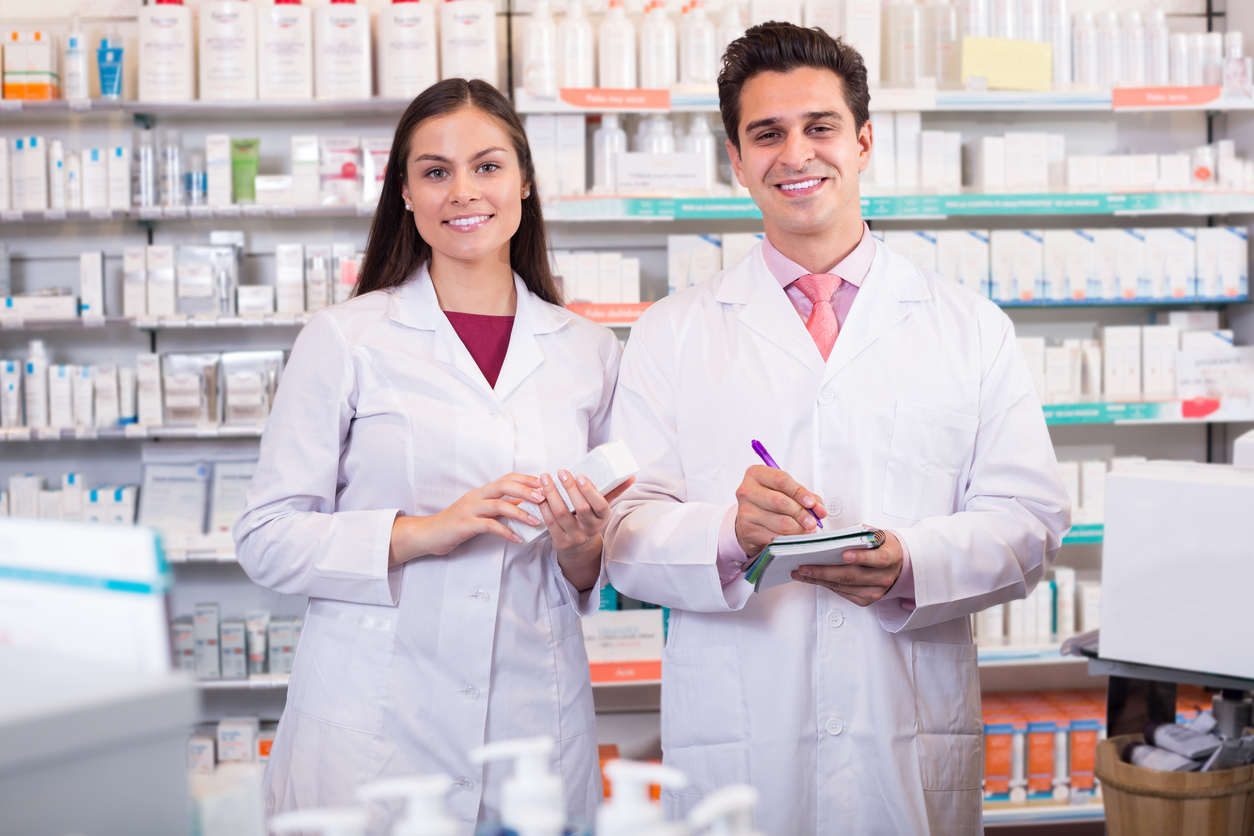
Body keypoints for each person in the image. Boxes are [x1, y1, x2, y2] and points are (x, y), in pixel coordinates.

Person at [603, 23, 1070, 836]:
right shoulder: (671, 332)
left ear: (862, 143)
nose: (797, 154)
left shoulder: (968, 326)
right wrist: (729, 533)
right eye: (767, 134)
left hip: (905, 719)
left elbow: (1029, 525)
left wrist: (910, 563)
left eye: (819, 127)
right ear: (735, 158)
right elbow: (625, 533)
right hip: (740, 733)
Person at [235, 78, 628, 831]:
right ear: (406, 194)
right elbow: (265, 538)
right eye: (435, 172)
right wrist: (423, 530)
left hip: (529, 724)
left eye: (486, 167)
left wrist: (584, 549)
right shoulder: (347, 338)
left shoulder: (588, 351)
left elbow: (589, 566)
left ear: (524, 181)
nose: (463, 192)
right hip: (374, 726)